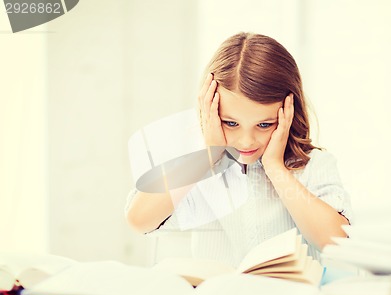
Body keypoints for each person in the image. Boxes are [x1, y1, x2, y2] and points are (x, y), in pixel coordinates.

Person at [125, 32, 353, 267]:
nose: (246, 142)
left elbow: (337, 242)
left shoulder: (313, 165)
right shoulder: (196, 167)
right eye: (231, 123)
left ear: (289, 113)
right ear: (209, 112)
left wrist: (275, 168)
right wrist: (208, 156)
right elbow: (138, 220)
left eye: (264, 125)